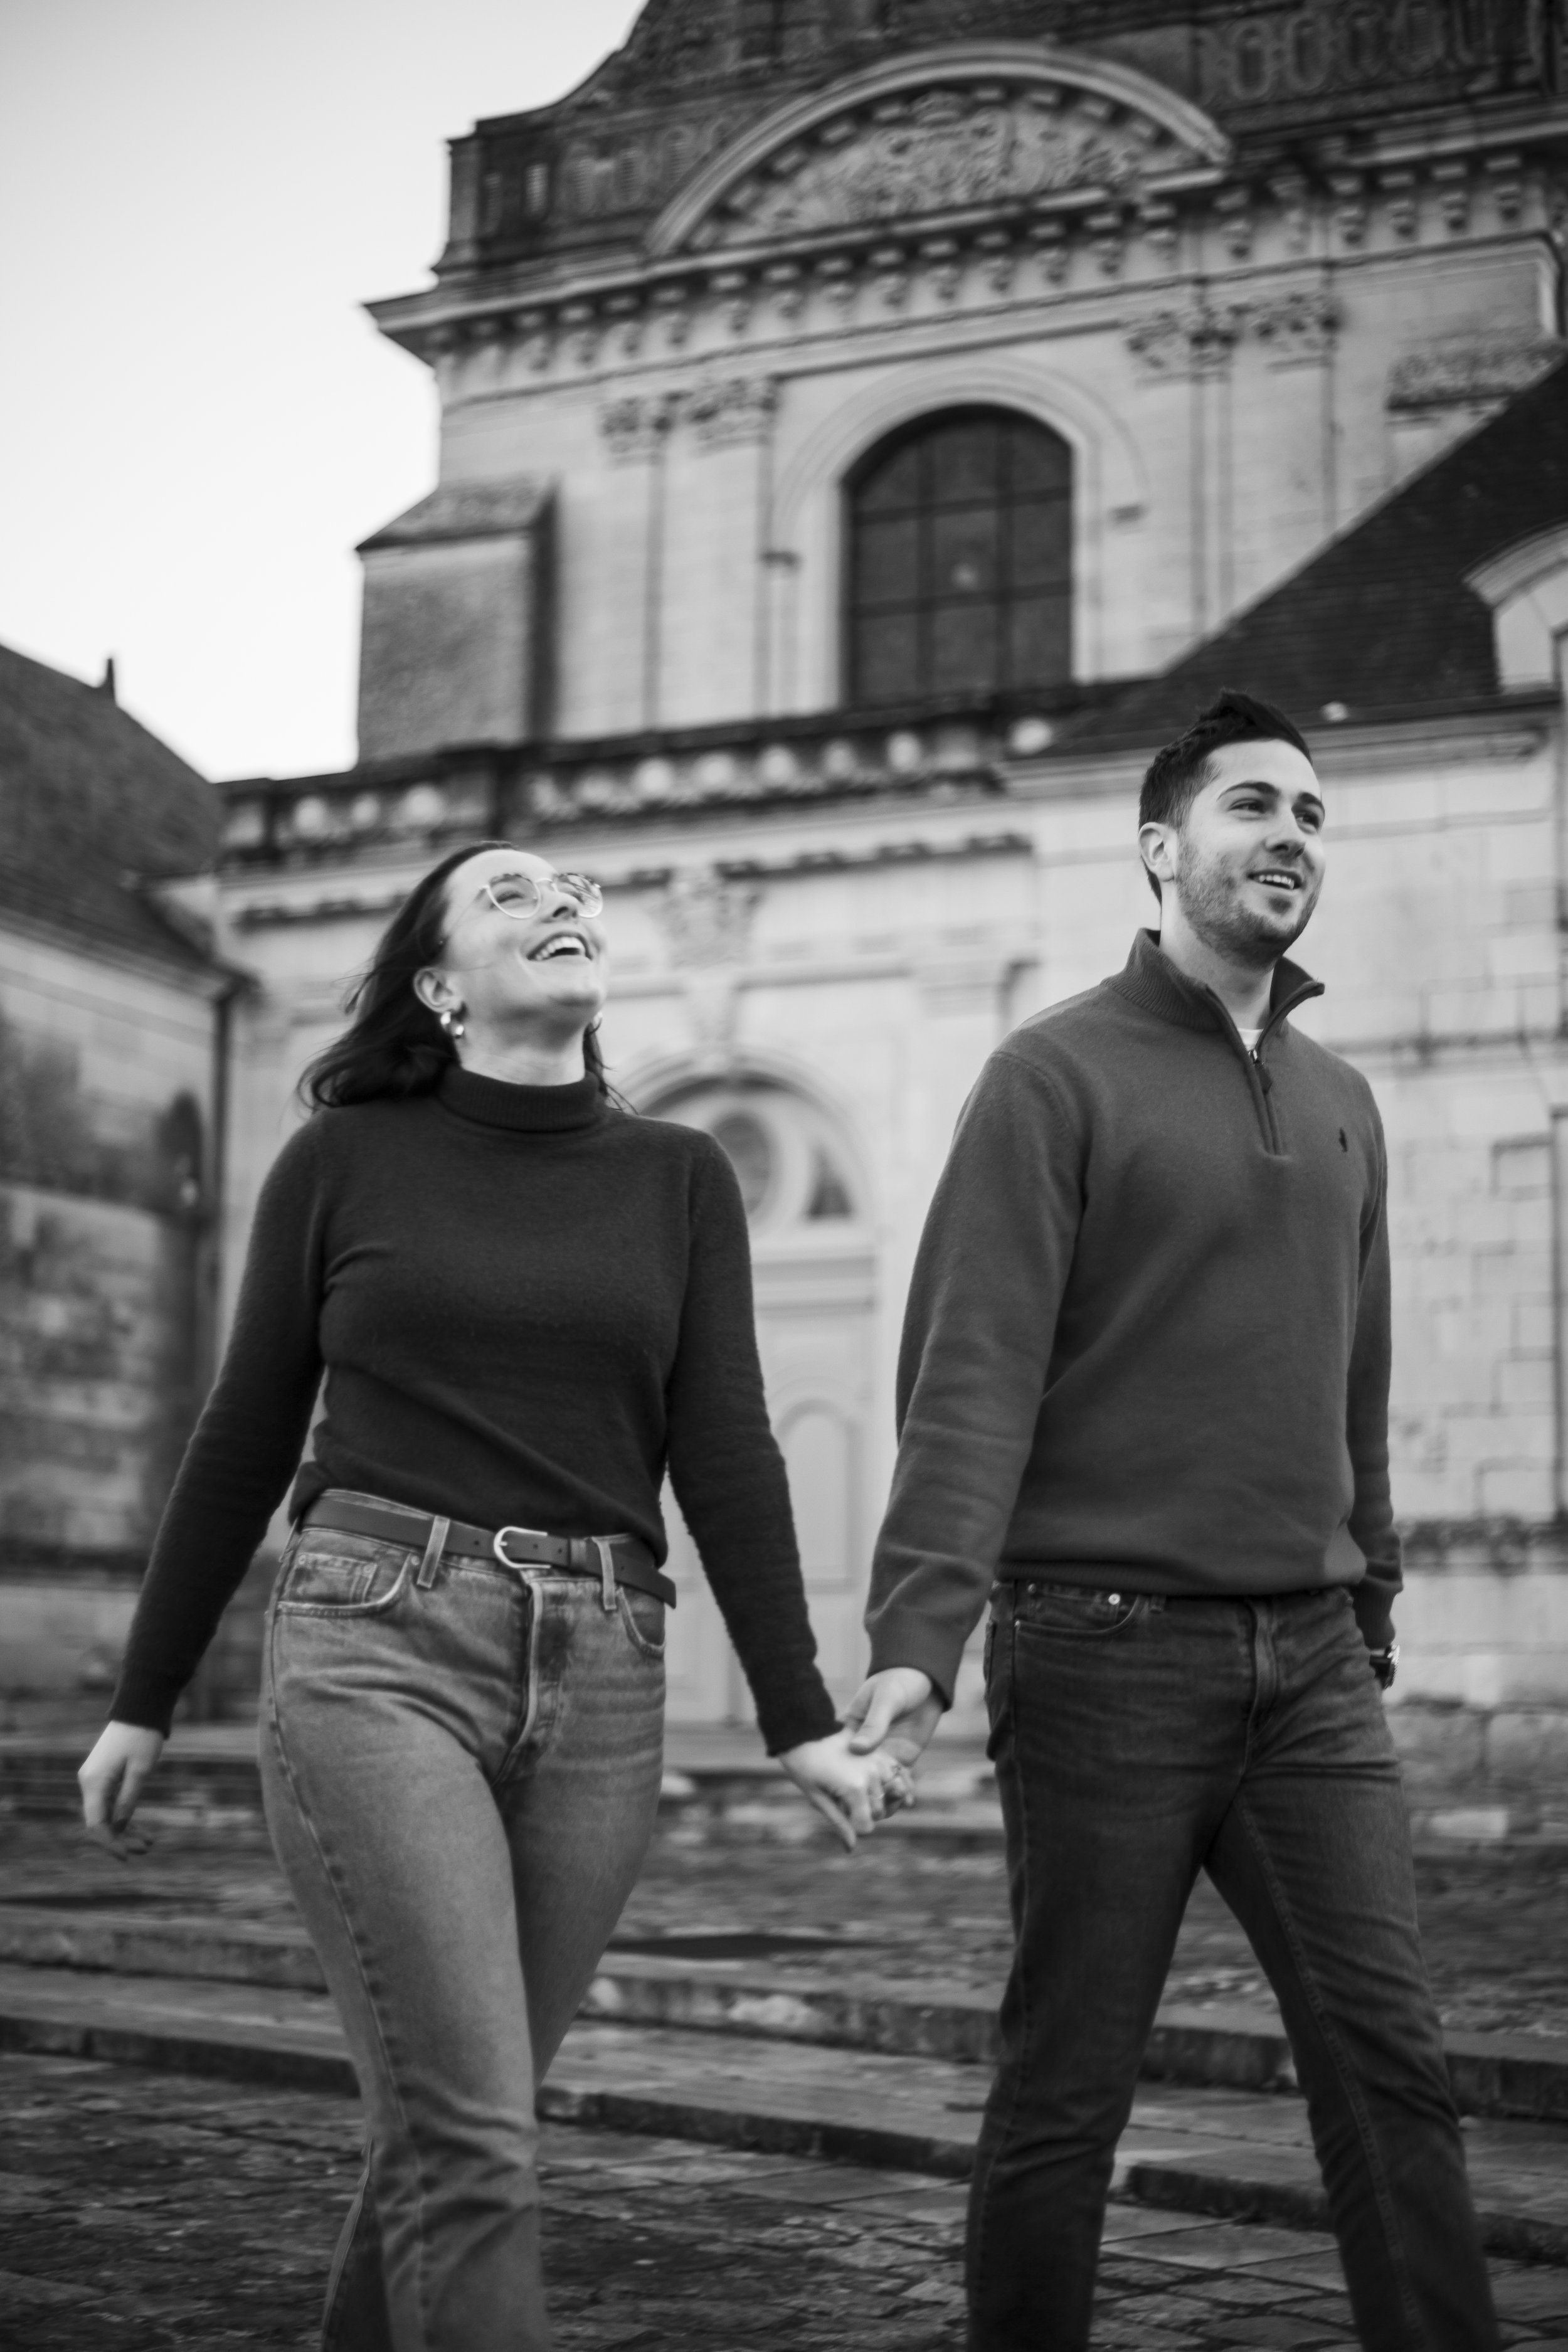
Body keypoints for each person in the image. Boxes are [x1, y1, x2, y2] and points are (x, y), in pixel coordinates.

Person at [79, 840, 904, 2352]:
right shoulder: (341, 1158)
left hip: (604, 1669)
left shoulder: (681, 1176)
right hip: (376, 1643)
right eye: (513, 894)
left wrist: (797, 1717)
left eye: (578, 893)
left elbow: (722, 1445)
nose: (564, 904)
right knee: (474, 2144)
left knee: (451, 2127)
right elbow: (246, 1426)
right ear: (440, 987)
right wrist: (145, 1697)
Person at [845, 692, 1500, 2351]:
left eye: (1308, 812)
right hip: (1100, 1650)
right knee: (1067, 2083)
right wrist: (915, 1642)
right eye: (1247, 807)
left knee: (1394, 2067)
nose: (1287, 833)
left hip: (1311, 1667)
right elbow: (970, 1370)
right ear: (1160, 850)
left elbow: (1357, 1374)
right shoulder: (1048, 1073)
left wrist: (1373, 1603)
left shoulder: (1341, 1093)